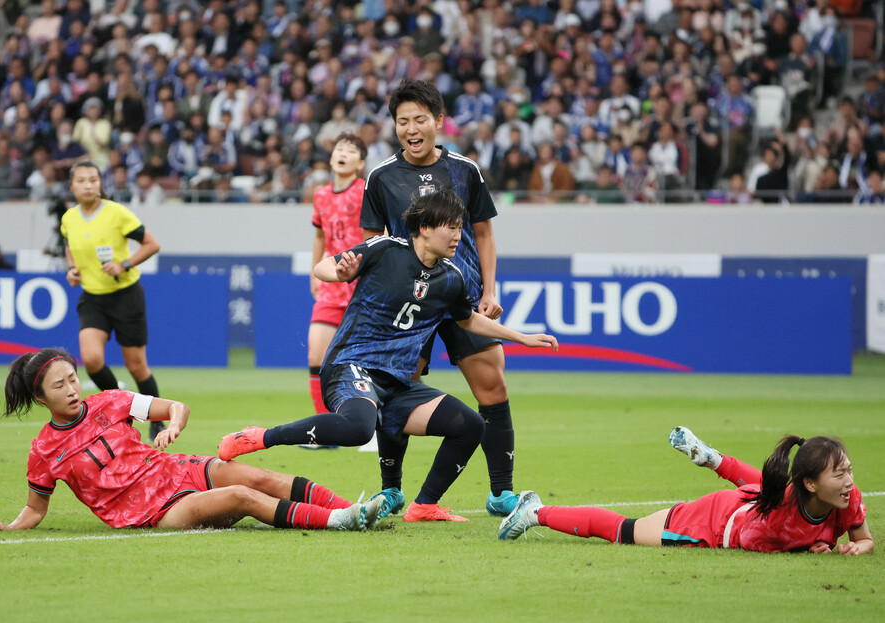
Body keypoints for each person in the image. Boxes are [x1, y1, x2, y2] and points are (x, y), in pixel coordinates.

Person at [218, 188, 558, 522]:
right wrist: (339, 274)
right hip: (350, 366)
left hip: (395, 384)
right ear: (425, 228)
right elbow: (324, 266)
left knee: (469, 424)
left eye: (460, 227)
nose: (458, 236)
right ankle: (262, 436)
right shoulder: (385, 248)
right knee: (359, 429)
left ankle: (424, 506)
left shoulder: (451, 279)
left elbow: (467, 319)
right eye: (451, 227)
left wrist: (521, 337)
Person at [0, 349, 383, 533]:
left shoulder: (111, 401)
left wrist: (172, 425)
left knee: (256, 476)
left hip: (174, 469)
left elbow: (177, 407)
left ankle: (357, 510)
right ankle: (337, 521)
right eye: (59, 385)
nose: (72, 388)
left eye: (73, 378)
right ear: (40, 398)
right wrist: (7, 527)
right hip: (151, 510)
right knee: (240, 494)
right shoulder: (44, 451)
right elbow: (35, 509)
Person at [359, 78, 522, 517]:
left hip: (462, 296)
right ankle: (391, 489)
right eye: (402, 121)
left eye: (419, 119)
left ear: (438, 122)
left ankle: (501, 492)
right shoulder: (381, 177)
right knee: (397, 392)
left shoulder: (464, 170)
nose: (411, 128)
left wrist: (489, 290)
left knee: (493, 386)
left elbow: (484, 232)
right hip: (410, 302)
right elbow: (374, 245)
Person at [498, 427, 873, 555]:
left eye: (849, 471)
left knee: (763, 488)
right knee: (623, 531)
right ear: (809, 483)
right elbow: (752, 539)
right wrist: (809, 549)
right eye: (839, 475)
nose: (849, 482)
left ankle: (712, 458)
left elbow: (866, 539)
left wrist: (859, 546)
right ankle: (534, 512)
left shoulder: (845, 496)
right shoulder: (775, 524)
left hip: (755, 501)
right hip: (713, 523)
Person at [61, 161, 164, 441]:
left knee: (137, 366)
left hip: (126, 296)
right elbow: (69, 244)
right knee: (92, 360)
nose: (88, 185)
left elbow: (152, 244)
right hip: (93, 298)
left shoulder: (116, 213)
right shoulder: (69, 217)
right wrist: (72, 269)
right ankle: (121, 411)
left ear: (100, 183)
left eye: (93, 179)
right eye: (81, 180)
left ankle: (157, 420)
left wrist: (125, 263)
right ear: (72, 185)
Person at [305, 133, 371, 450]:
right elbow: (320, 236)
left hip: (362, 285)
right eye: (339, 149)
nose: (343, 154)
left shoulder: (366, 191)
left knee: (367, 362)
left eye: (351, 151)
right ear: (331, 159)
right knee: (316, 355)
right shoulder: (320, 195)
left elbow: (379, 234)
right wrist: (315, 270)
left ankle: (374, 427)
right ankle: (324, 433)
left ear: (360, 163)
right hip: (331, 284)